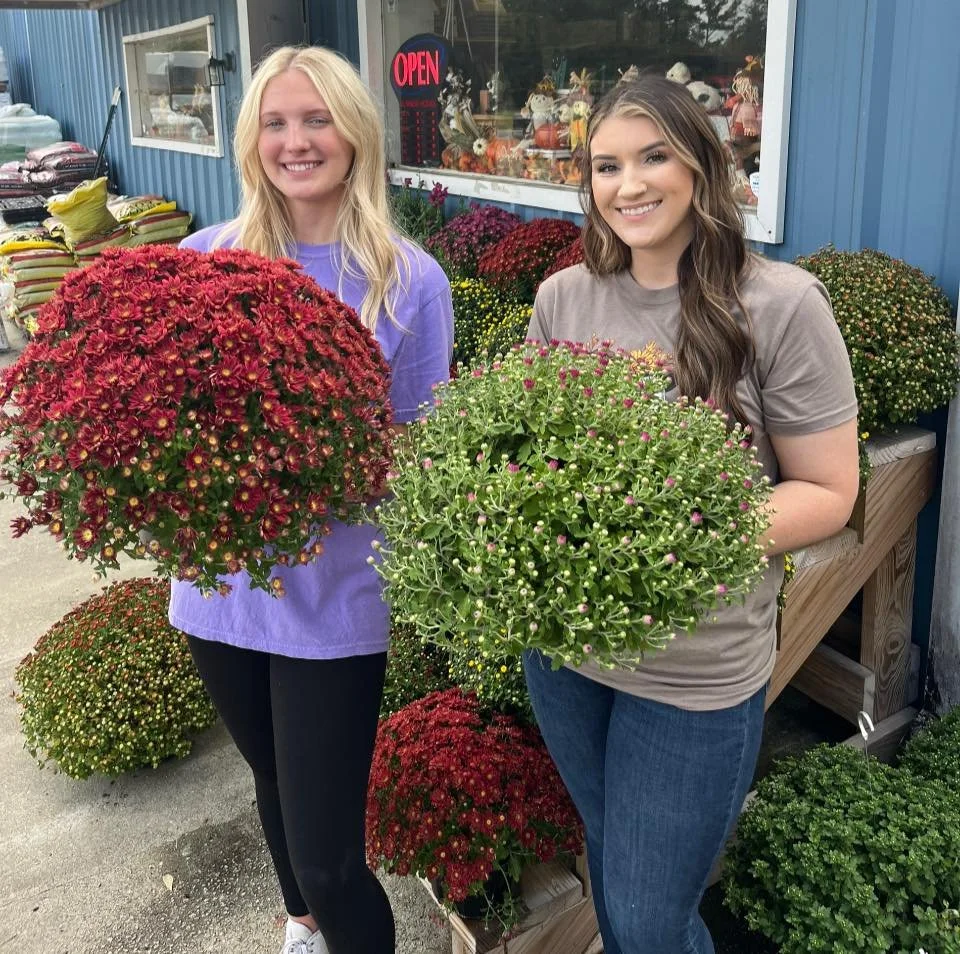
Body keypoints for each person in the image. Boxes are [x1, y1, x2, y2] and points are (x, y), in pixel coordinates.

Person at [524, 74, 859, 953]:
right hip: (564, 649)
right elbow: (525, 455)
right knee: (613, 865)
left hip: (695, 671)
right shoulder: (564, 298)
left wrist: (666, 537)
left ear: (703, 165)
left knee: (645, 917)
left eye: (653, 156)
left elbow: (829, 491)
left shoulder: (781, 304)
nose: (628, 185)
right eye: (605, 166)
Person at [168, 46, 453, 954]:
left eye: (318, 118)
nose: (297, 141)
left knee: (331, 848)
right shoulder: (206, 260)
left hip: (333, 597)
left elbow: (419, 446)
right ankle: (301, 929)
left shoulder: (408, 279)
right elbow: (169, 422)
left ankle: (332, 922)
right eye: (277, 121)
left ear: (356, 132)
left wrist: (322, 460)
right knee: (270, 783)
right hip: (218, 586)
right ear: (252, 138)